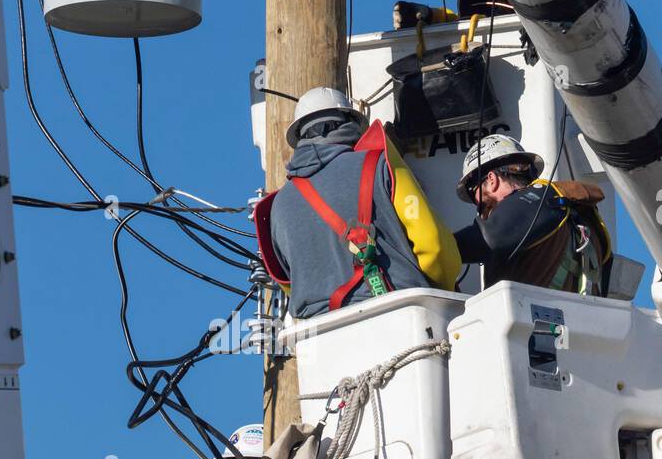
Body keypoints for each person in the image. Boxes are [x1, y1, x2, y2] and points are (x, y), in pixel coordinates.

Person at [253, 87, 460, 318]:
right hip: (398, 317)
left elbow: (289, 282)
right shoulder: (380, 164)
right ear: (350, 122)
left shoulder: (277, 207)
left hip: (320, 340)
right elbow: (433, 245)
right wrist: (445, 292)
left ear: (300, 137)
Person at [454, 134, 612, 295]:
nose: (483, 213)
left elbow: (488, 238)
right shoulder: (574, 215)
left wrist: (440, 246)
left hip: (533, 318)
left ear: (492, 180)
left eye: (478, 199)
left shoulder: (533, 206)